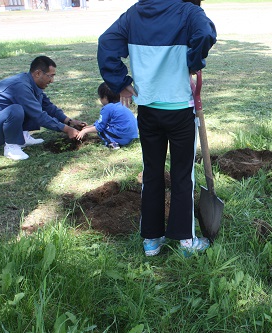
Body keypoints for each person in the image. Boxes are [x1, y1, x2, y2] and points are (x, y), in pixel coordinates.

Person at [97, 0, 216, 256]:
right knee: (183, 175)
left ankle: (151, 241)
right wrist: (195, 61)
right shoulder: (188, 11)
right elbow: (206, 33)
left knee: (151, 173)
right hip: (179, 110)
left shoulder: (134, 14)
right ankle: (186, 241)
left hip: (148, 110)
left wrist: (120, 82)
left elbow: (105, 43)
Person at [0, 56, 86, 161]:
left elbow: (48, 106)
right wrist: (67, 129)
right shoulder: (21, 86)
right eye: (50, 76)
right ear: (38, 73)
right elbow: (39, 116)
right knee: (16, 110)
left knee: (34, 103)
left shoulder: (31, 84)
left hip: (2, 125)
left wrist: (70, 122)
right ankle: (11, 147)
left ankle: (23, 137)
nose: (52, 81)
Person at [76, 82, 139, 149]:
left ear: (105, 98)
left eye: (100, 97)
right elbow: (102, 122)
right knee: (105, 125)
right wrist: (91, 126)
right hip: (131, 136)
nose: (100, 99)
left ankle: (112, 143)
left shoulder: (107, 108)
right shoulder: (121, 104)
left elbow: (99, 127)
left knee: (101, 131)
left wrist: (84, 131)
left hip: (122, 139)